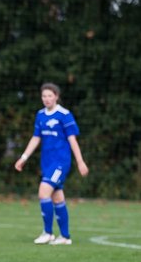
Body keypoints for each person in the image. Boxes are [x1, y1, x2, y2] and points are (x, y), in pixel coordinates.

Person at [14, 83, 88, 245]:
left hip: (60, 162)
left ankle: (47, 233)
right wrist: (24, 157)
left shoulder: (64, 115)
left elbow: (72, 140)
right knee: (57, 198)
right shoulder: (40, 115)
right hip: (46, 162)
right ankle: (65, 237)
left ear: (56, 96)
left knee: (43, 192)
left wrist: (80, 162)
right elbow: (36, 138)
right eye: (44, 96)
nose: (46, 99)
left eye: (49, 95)